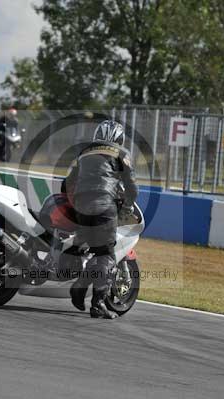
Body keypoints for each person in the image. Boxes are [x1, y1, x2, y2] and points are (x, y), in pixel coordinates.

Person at [63, 120, 138, 319]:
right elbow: (131, 185)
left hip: (81, 205)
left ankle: (79, 288)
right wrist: (128, 205)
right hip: (103, 204)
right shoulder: (122, 153)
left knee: (93, 250)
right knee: (106, 255)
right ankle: (97, 304)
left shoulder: (84, 152)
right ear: (119, 139)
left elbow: (67, 183)